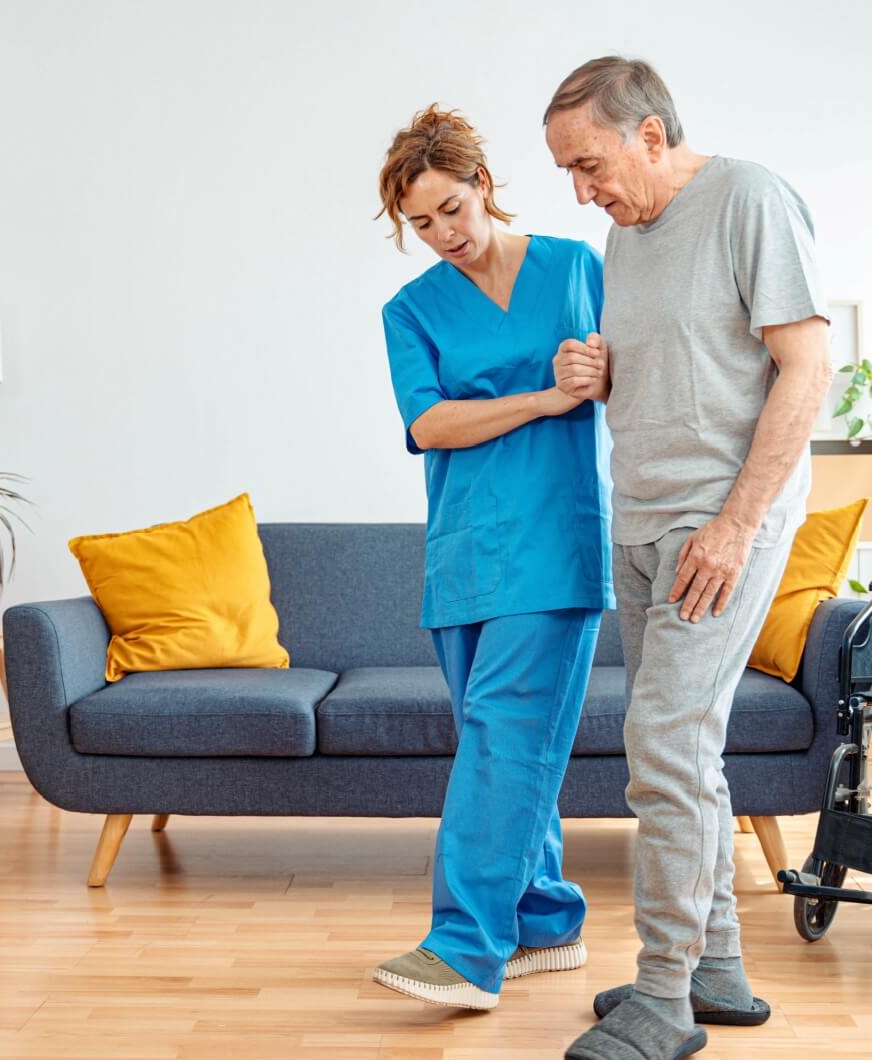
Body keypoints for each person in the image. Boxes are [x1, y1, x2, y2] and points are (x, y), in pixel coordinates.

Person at [544, 57, 833, 1059]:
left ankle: (662, 999)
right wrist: (601, 368)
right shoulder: (625, 237)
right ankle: (713, 968)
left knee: (661, 748)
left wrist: (736, 522)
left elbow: (807, 365)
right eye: (568, 175)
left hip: (718, 529)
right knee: (686, 749)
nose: (583, 192)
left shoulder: (747, 197)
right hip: (640, 521)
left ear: (650, 135)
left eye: (590, 165)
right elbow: (686, 357)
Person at [369, 105, 614, 1011]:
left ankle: (467, 946)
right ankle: (546, 920)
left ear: (484, 187)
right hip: (465, 552)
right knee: (501, 741)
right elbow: (428, 423)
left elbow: (624, 367)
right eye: (420, 225)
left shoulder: (575, 267)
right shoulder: (410, 309)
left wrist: (597, 378)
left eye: (451, 211)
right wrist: (546, 399)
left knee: (509, 733)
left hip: (555, 539)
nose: (442, 236)